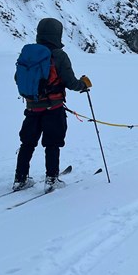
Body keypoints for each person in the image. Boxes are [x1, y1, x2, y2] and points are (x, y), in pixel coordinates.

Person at [13, 18, 91, 192]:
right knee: (52, 143)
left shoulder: (28, 53)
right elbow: (71, 82)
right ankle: (51, 179)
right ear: (58, 34)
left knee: (27, 143)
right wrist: (83, 84)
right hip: (53, 108)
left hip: (32, 107)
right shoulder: (59, 55)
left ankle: (20, 179)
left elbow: (18, 78)